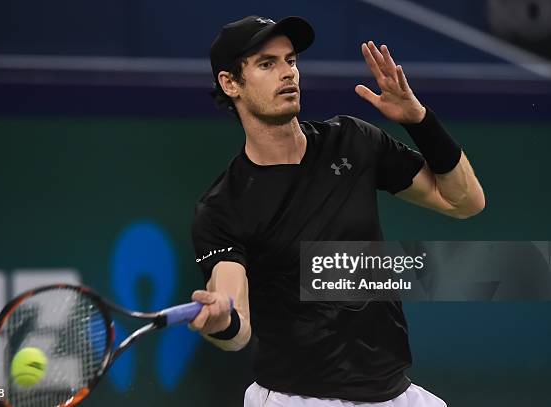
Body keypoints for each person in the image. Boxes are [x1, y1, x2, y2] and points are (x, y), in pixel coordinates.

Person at [189, 15, 485, 407]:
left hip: (394, 393)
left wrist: (420, 121)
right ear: (230, 84)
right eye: (266, 64)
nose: (287, 73)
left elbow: (464, 202)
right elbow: (234, 313)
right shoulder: (224, 207)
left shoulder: (352, 140)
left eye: (290, 60)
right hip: (297, 399)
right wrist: (221, 321)